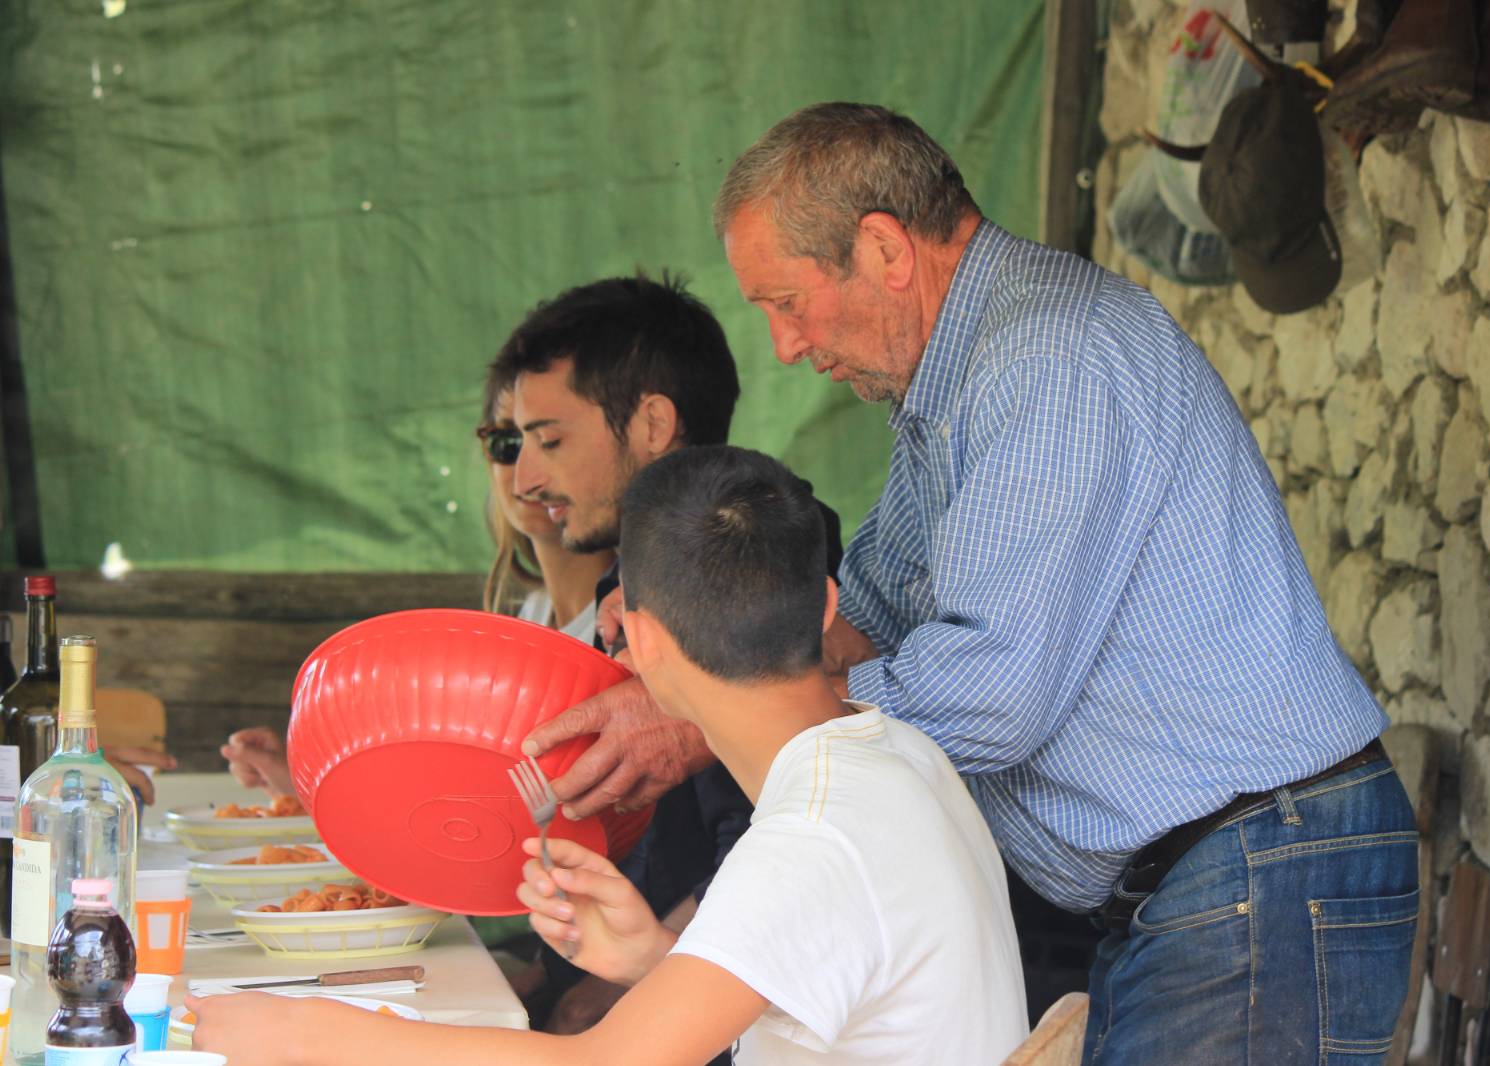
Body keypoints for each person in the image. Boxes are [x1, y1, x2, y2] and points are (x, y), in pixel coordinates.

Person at [528, 102, 1420, 1063]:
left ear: (884, 249)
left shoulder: (1046, 359)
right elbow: (863, 611)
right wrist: (681, 630)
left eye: (787, 302)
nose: (785, 345)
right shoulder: (960, 378)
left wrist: (706, 709)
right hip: (1211, 878)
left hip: (1255, 867)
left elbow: (992, 697)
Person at [189, 445, 1028, 1066]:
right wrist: (654, 960)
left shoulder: (806, 839)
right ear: (827, 607)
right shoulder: (900, 753)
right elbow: (827, 980)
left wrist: (310, 1033)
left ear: (636, 636)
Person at [219, 376, 615, 799]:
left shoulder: (623, 624)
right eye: (507, 444)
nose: (526, 473)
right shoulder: (530, 617)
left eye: (550, 442)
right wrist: (303, 785)